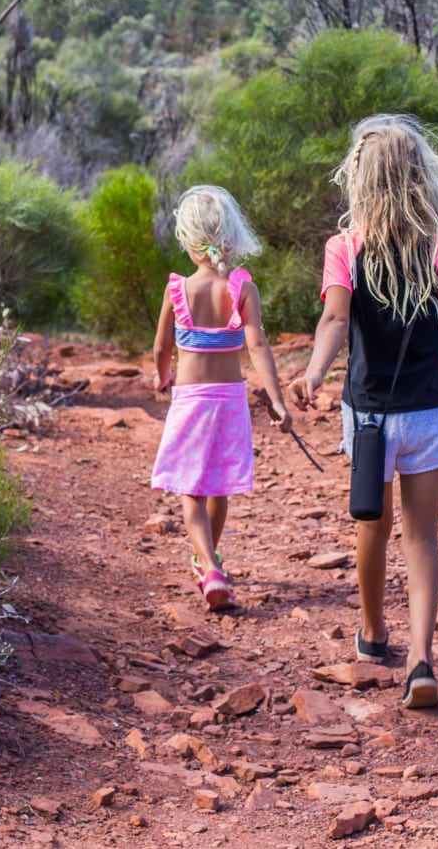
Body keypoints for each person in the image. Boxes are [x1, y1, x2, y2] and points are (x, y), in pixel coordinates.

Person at [290, 115, 438, 708]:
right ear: (419, 176)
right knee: (422, 539)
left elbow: (336, 321)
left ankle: (373, 634)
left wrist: (314, 374)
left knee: (371, 525)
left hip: (368, 415)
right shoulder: (437, 247)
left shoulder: (344, 248)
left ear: (361, 178)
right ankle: (422, 661)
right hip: (428, 412)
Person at [151, 184, 292, 611]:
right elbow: (258, 347)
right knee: (218, 486)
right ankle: (209, 560)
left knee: (189, 491)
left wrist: (163, 379)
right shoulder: (242, 288)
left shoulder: (178, 290)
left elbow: (161, 348)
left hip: (191, 400)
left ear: (190, 243)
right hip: (229, 401)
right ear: (230, 238)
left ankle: (208, 565)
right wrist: (278, 400)